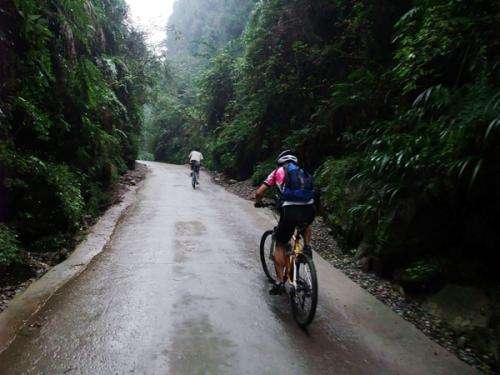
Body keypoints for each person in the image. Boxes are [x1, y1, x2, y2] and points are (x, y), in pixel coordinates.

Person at [255, 150, 316, 295]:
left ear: (280, 162)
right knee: (306, 223)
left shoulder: (277, 172)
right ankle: (307, 247)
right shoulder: (302, 171)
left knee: (280, 242)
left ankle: (280, 282)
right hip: (309, 208)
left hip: (290, 210)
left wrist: (258, 202)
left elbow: (259, 192)